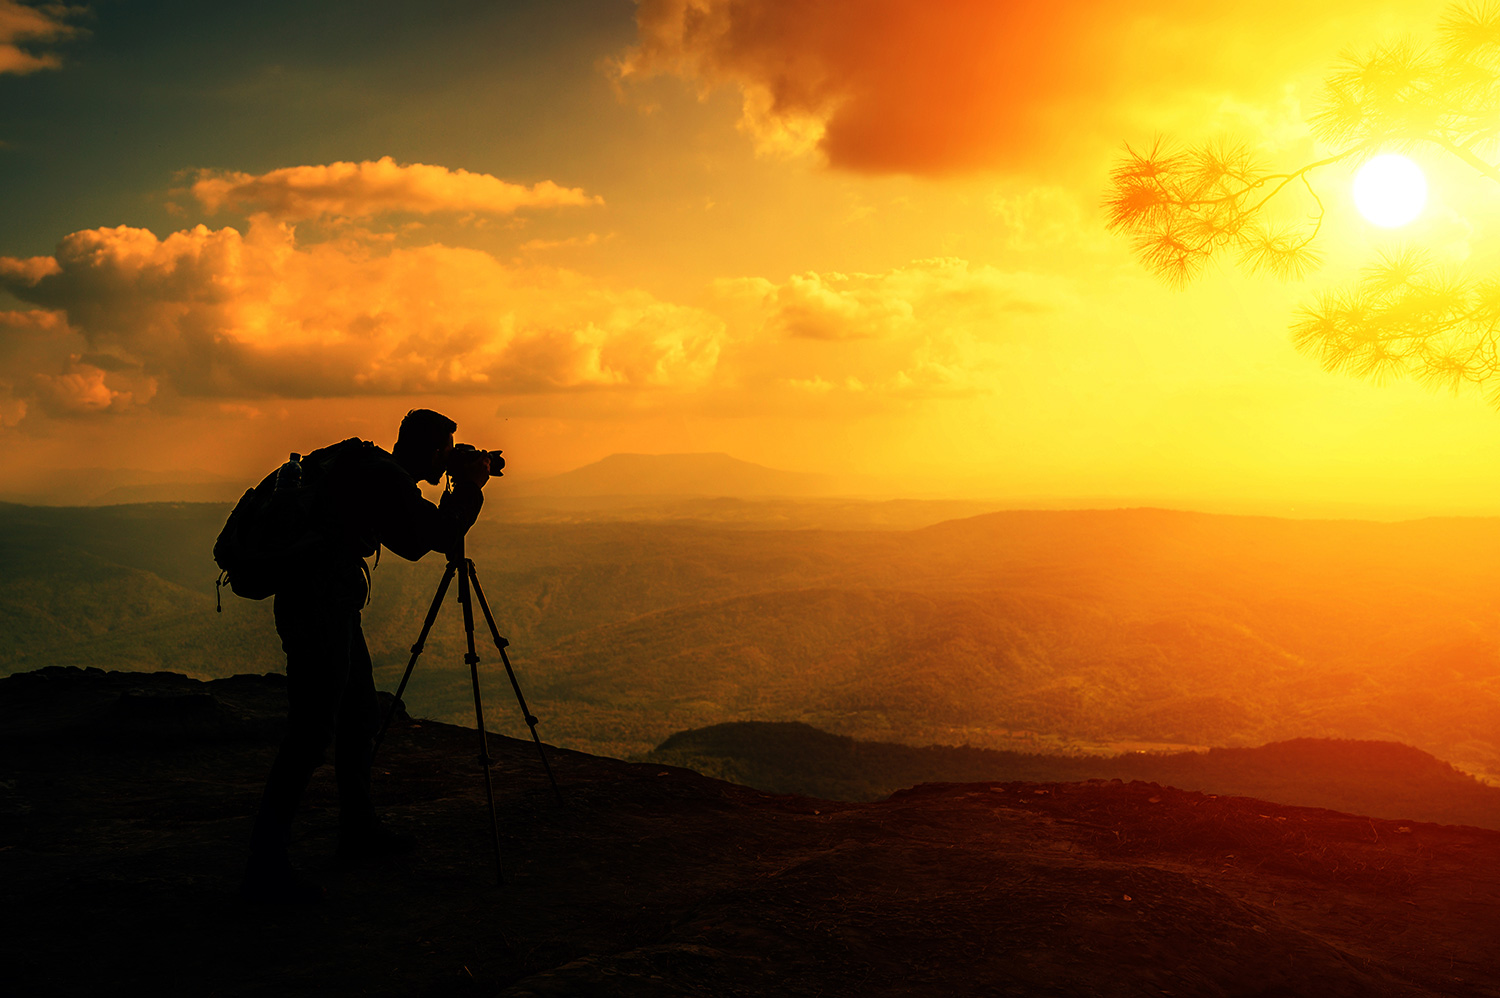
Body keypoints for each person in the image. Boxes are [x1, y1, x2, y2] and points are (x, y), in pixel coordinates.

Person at [241, 408, 492, 905]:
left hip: (326, 601)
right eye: (445, 450)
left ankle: (358, 829)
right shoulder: (386, 481)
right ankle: (265, 863)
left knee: (359, 715)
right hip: (319, 605)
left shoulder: (375, 470)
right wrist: (470, 489)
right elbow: (430, 541)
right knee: (312, 731)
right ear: (431, 450)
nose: (448, 458)